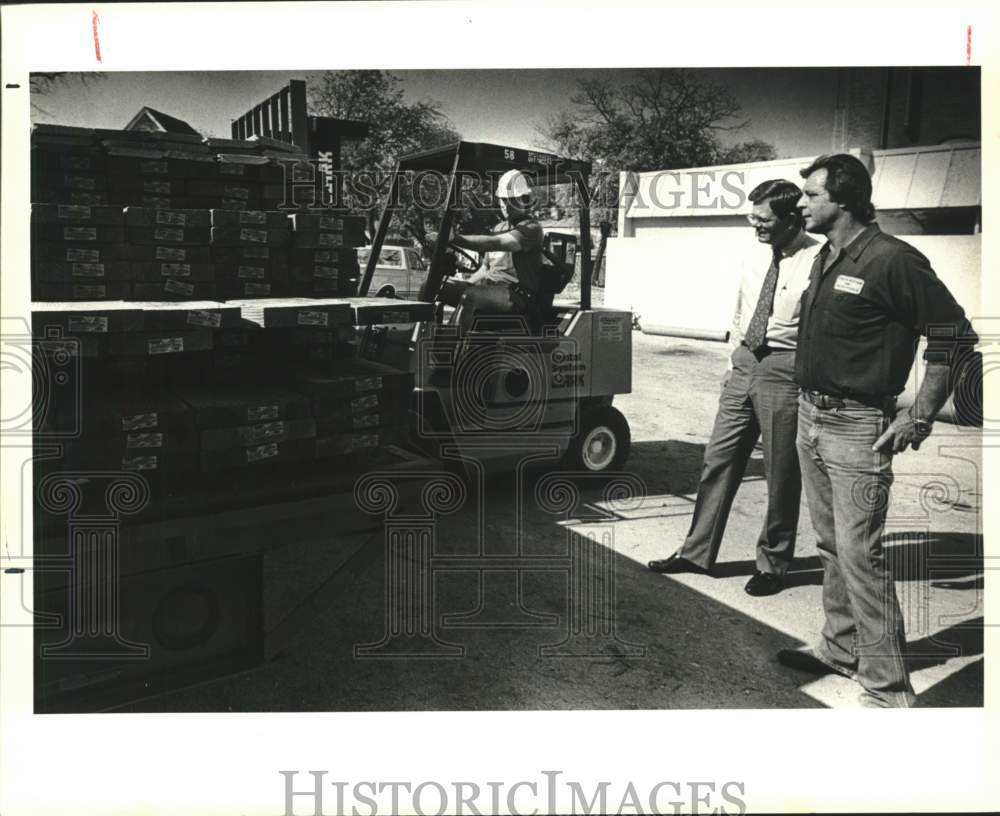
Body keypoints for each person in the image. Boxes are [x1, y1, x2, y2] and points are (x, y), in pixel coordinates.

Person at [776, 153, 976, 707]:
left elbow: (953, 336)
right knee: (830, 544)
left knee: (861, 553)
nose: (800, 204)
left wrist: (920, 414)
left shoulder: (892, 260)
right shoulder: (825, 257)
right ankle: (840, 649)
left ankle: (888, 688)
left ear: (842, 199)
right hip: (811, 416)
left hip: (856, 424)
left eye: (811, 196)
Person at [648, 180, 818, 596]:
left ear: (791, 218)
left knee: (781, 471)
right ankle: (695, 552)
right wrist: (732, 362)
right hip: (744, 361)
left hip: (785, 369)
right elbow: (742, 312)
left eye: (763, 219)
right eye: (752, 217)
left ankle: (773, 563)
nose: (754, 225)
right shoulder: (754, 257)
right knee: (717, 460)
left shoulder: (819, 259)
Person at [435, 169, 547, 335]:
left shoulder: (532, 228)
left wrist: (454, 238)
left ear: (524, 200)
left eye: (511, 200)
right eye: (503, 200)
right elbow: (485, 268)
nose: (506, 205)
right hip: (491, 289)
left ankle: (447, 351)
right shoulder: (498, 228)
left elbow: (497, 243)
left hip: (518, 295)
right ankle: (419, 338)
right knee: (434, 287)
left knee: (471, 296)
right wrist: (467, 284)